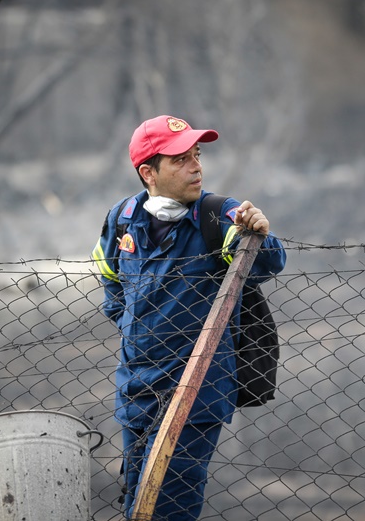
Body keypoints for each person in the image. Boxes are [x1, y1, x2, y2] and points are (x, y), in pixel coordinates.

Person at [92, 114, 286, 520]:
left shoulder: (217, 214)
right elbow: (109, 276)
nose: (196, 165)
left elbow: (268, 261)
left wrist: (258, 233)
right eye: (180, 159)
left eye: (196, 155)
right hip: (135, 392)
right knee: (135, 501)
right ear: (149, 172)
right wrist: (129, 322)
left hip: (194, 394)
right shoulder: (123, 218)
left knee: (168, 507)